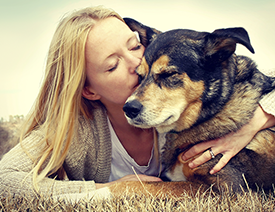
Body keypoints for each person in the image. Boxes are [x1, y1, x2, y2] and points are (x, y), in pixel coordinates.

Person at [0, 6, 274, 200]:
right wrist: (109, 191)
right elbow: (5, 181)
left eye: (134, 46)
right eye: (112, 65)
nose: (137, 65)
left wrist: (260, 117)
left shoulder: (176, 81)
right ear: (89, 90)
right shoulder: (78, 132)